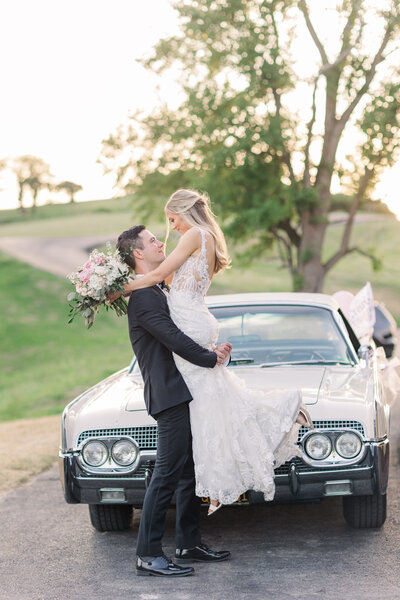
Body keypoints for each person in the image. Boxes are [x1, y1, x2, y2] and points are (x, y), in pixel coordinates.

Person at [119, 189, 313, 515]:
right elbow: (164, 278)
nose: (172, 228)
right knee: (215, 401)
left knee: (211, 405)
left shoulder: (195, 233)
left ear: (184, 211)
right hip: (196, 318)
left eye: (172, 219)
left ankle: (278, 410)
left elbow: (155, 276)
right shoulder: (206, 237)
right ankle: (218, 477)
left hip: (189, 322)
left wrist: (115, 290)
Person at [116, 224, 231, 577]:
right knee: (165, 473)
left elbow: (183, 331)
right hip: (168, 394)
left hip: (183, 390)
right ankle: (148, 554)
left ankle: (188, 543)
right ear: (138, 253)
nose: (160, 241)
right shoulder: (145, 297)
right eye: (152, 240)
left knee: (187, 472)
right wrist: (210, 359)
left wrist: (210, 350)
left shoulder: (156, 290)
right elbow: (173, 339)